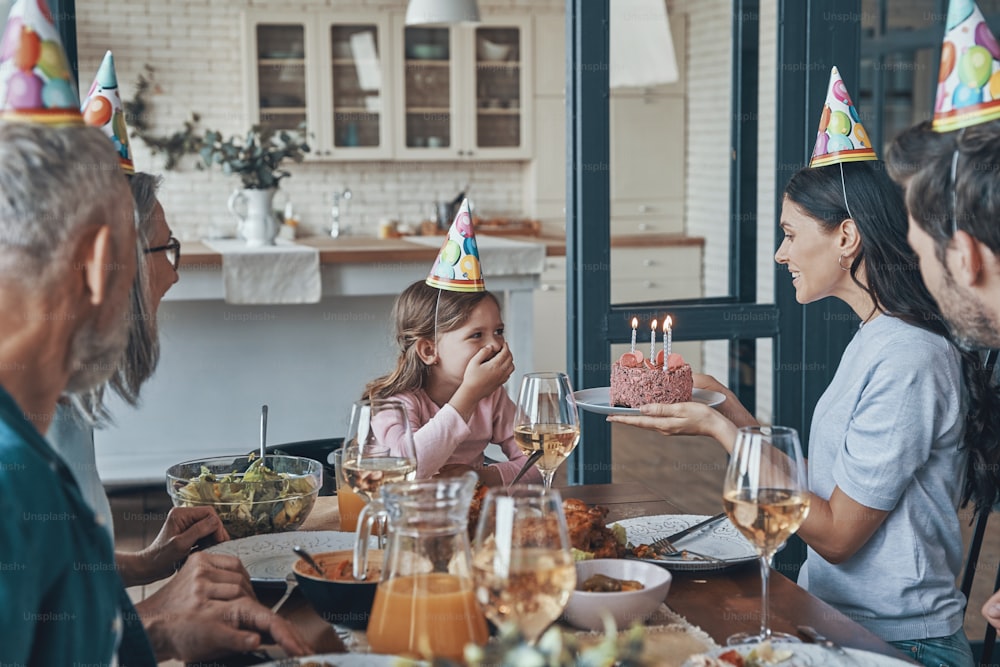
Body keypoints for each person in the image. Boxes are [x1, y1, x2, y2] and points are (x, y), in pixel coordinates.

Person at [610, 69, 1000, 667]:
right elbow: (830, 488)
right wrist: (729, 410)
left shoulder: (909, 357)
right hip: (833, 623)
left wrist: (722, 433)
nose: (780, 253)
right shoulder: (877, 336)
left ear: (846, 237)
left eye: (791, 234)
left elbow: (838, 535)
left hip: (900, 646)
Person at [363, 279, 541, 487]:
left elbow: (539, 462)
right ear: (429, 351)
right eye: (476, 335)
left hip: (463, 514)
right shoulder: (395, 404)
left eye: (498, 331)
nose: (495, 344)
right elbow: (408, 469)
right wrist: (469, 395)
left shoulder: (492, 397)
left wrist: (482, 477)